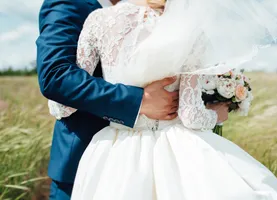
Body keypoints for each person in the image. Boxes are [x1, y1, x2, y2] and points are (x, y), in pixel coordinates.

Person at [46, 0, 277, 199]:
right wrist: (218, 113)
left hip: (114, 147)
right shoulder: (190, 28)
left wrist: (64, 104)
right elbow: (191, 116)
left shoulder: (98, 19)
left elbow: (62, 105)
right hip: (176, 147)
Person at [36, 0, 179, 199]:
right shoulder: (69, 3)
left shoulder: (155, 8)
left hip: (153, 158)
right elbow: (56, 76)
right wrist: (139, 101)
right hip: (83, 160)